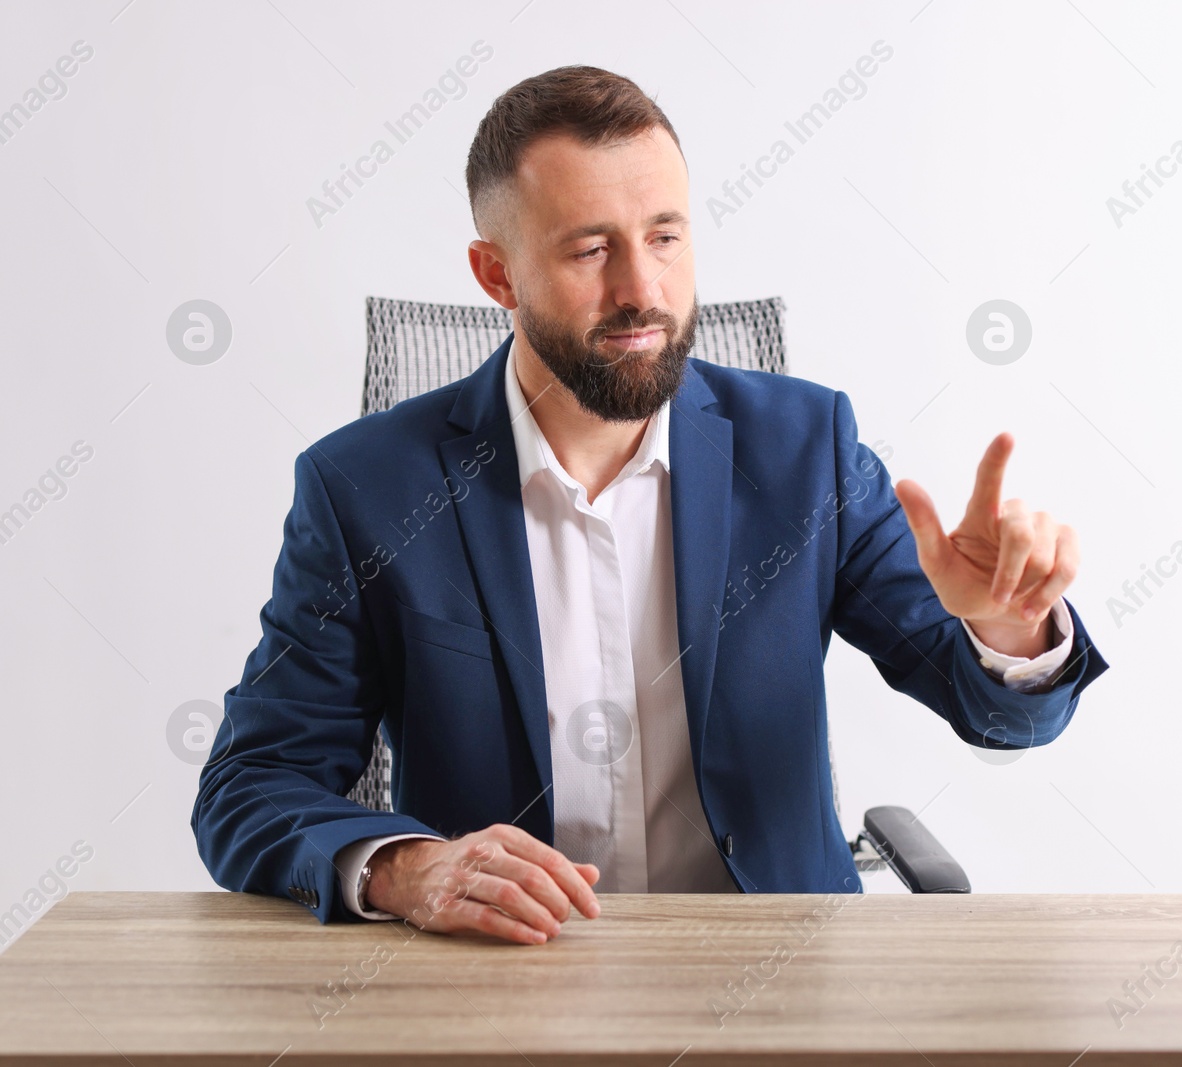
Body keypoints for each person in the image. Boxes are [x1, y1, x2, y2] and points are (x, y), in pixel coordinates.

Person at [191, 65, 1108, 946]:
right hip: (500, 986)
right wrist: (407, 867)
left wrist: (1005, 629)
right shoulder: (368, 488)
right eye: (592, 249)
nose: (643, 291)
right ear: (497, 275)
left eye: (665, 237)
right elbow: (250, 783)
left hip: (771, 981)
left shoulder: (805, 450)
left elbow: (1005, 716)